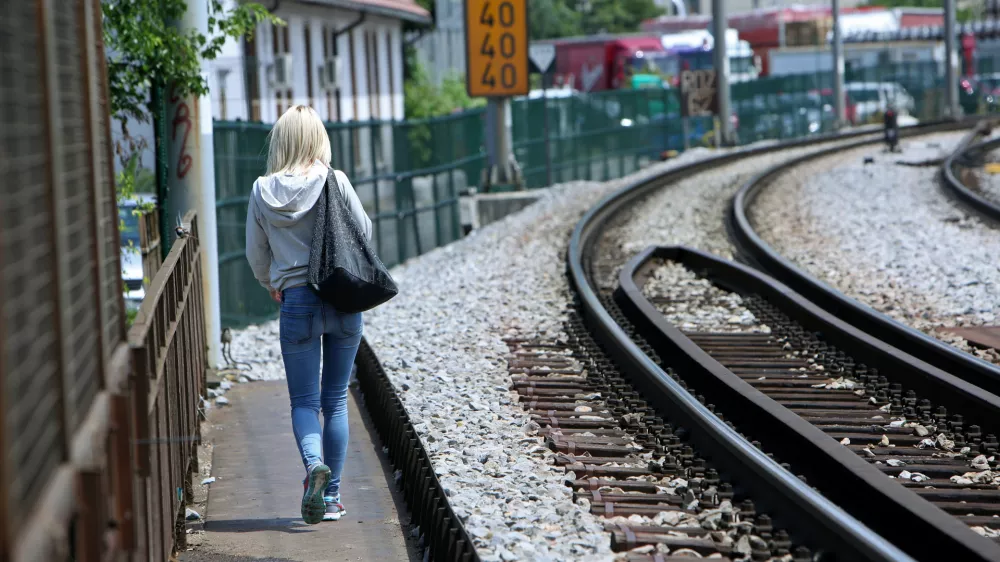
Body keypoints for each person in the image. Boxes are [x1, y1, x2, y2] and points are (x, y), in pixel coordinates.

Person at [245, 105, 373, 525]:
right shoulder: (334, 181)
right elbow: (364, 230)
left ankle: (313, 464)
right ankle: (332, 495)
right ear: (318, 139)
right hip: (341, 296)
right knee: (335, 399)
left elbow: (255, 254)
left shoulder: (262, 190)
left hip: (296, 300)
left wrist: (273, 284)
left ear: (280, 141)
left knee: (303, 401)